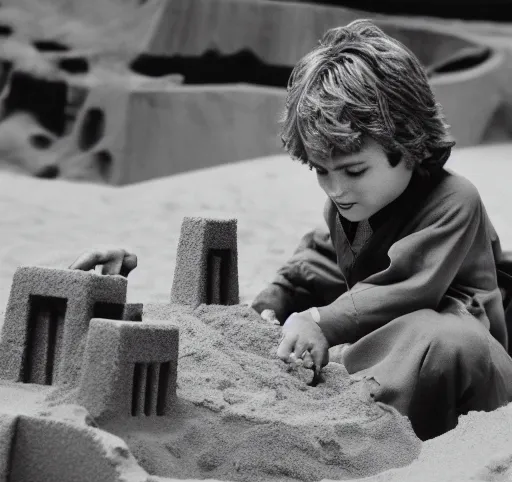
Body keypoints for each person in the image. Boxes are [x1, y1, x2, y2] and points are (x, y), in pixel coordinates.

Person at [70, 20, 512, 441]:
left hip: (463, 352)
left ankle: (368, 416)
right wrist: (277, 299)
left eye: (355, 170)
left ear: (410, 146)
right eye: (322, 171)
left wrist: (319, 320)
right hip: (388, 339)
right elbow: (320, 259)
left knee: (443, 341)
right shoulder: (351, 208)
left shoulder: (455, 199)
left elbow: (408, 286)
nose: (337, 189)